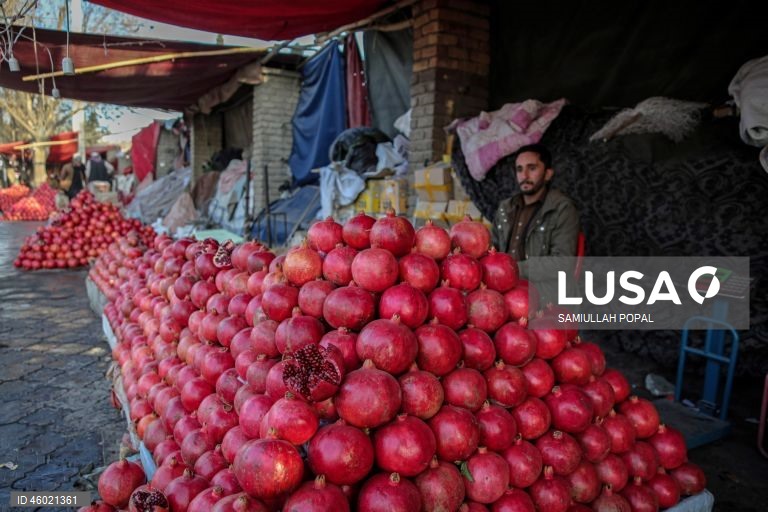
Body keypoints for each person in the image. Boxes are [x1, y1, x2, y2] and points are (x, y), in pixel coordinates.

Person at [492, 143, 581, 282]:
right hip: (503, 283)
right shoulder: (506, 207)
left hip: (542, 288)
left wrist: (511, 269)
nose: (524, 175)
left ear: (548, 174)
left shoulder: (562, 208)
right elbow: (492, 249)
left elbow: (562, 264)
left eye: (532, 168)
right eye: (519, 169)